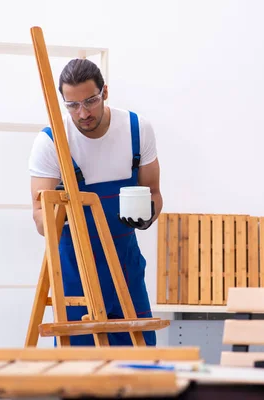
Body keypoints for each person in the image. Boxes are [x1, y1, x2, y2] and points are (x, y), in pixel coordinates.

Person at [28, 58, 162, 346]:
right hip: (76, 273)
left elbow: (153, 192)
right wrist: (59, 207)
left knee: (139, 367)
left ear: (105, 92)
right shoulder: (52, 142)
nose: (83, 113)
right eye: (72, 105)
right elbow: (39, 217)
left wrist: (147, 216)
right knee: (79, 373)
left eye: (90, 101)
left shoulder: (137, 130)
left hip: (126, 269)